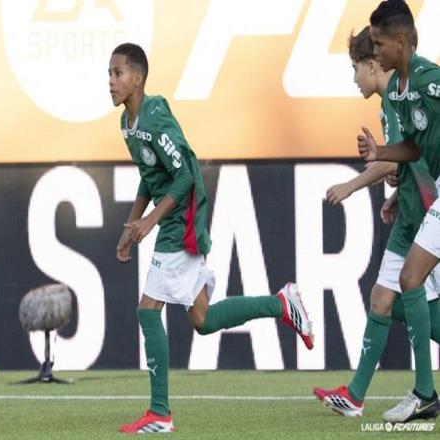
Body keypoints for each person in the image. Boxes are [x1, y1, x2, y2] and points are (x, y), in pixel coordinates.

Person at [109, 42, 314, 434]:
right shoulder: (127, 124)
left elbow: (186, 175)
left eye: (118, 73)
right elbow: (150, 177)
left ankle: (160, 413)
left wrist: (151, 220)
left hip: (181, 218)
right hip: (171, 217)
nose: (111, 81)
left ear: (138, 78)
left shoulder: (153, 119)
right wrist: (131, 226)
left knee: (147, 310)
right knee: (201, 319)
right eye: (110, 74)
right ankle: (282, 304)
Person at [314, 25, 440, 420]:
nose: (354, 78)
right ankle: (355, 395)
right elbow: (411, 157)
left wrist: (351, 185)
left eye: (356, 68)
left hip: (423, 216)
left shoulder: (395, 99)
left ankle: (424, 393)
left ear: (373, 64)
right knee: (382, 299)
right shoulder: (395, 99)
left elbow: (395, 158)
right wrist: (397, 193)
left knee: (411, 293)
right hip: (409, 212)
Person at [357, 0, 440, 422]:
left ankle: (424, 393)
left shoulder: (429, 80)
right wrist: (381, 152)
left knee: (410, 279)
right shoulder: (397, 91)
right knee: (410, 280)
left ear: (402, 42)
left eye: (379, 44)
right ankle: (424, 393)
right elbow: (413, 148)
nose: (375, 52)